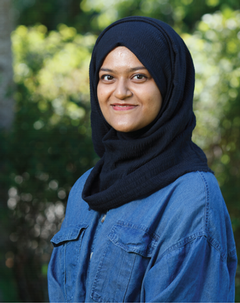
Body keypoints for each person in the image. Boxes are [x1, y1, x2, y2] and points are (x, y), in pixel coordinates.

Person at [47, 16, 237, 302]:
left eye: (139, 76)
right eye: (107, 77)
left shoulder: (193, 199)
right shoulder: (85, 189)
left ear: (169, 85)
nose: (120, 92)